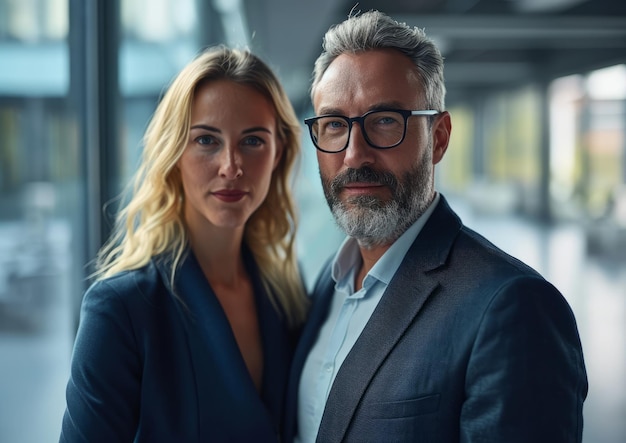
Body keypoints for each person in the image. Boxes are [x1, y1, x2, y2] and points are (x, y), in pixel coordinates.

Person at [284, 10, 588, 443]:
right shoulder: (326, 288)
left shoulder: (512, 307)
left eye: (385, 121)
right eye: (334, 125)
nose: (354, 155)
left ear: (439, 137)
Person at [60, 46, 308, 442]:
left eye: (253, 141)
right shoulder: (119, 310)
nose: (231, 166)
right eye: (207, 140)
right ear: (174, 153)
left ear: (279, 152)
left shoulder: (286, 295)